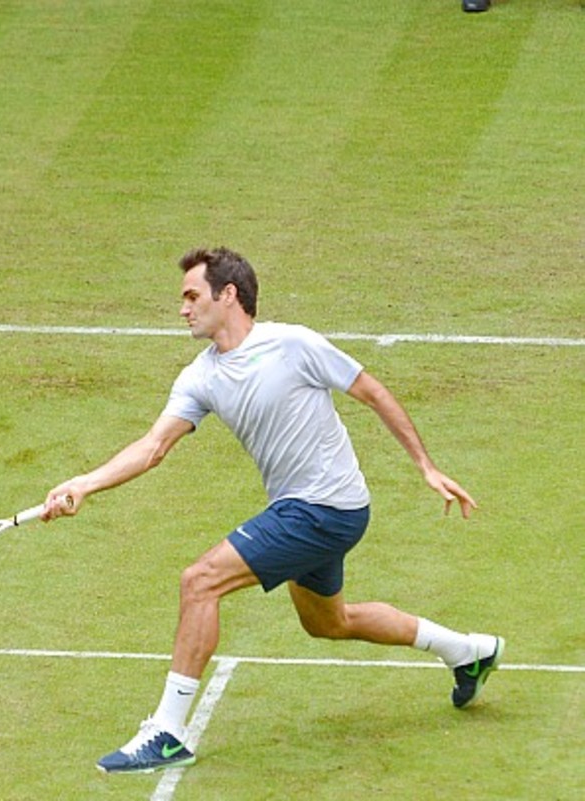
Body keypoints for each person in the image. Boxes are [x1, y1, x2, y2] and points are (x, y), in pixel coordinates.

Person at [41, 247, 503, 774]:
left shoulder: (293, 344)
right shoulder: (200, 377)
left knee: (201, 580)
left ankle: (168, 732)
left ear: (228, 294)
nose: (183, 309)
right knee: (330, 622)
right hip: (310, 510)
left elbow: (372, 392)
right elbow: (153, 446)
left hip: (325, 506)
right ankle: (468, 651)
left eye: (192, 296)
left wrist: (426, 465)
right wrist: (86, 483)